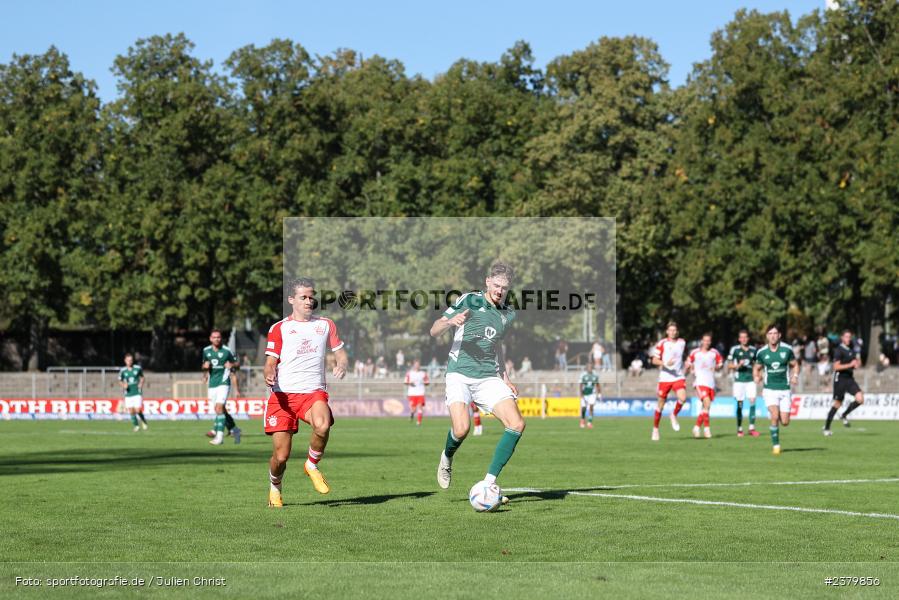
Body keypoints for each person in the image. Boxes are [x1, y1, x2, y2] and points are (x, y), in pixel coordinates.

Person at [431, 262, 522, 501]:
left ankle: (488, 483)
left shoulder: (507, 314)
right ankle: (447, 457)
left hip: (488, 377)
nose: (500, 290)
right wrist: (451, 322)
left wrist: (505, 375)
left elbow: (497, 345)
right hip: (459, 373)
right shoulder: (469, 300)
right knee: (462, 429)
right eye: (496, 285)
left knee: (517, 423)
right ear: (487, 282)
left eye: (504, 287)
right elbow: (434, 329)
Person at [263, 277, 348, 507]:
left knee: (323, 424)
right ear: (292, 300)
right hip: (282, 396)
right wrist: (269, 372)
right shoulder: (280, 328)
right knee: (280, 457)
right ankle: (275, 487)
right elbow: (270, 361)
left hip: (312, 392)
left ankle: (311, 464)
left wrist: (342, 363)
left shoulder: (325, 325)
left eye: (312, 297)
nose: (309, 301)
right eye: (303, 297)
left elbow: (340, 351)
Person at [753, 324, 799, 455]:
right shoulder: (762, 352)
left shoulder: (787, 349)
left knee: (785, 422)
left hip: (785, 389)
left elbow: (795, 365)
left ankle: (776, 420)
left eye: (775, 333)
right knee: (774, 415)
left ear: (779, 335)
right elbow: (756, 368)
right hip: (769, 390)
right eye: (770, 333)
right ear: (767, 336)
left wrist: (795, 376)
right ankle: (776, 446)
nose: (773, 336)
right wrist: (756, 377)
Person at [650, 322, 687, 441]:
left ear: (677, 331)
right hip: (665, 377)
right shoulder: (662, 343)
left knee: (682, 398)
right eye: (670, 330)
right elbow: (654, 360)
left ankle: (673, 415)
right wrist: (665, 363)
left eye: (675, 330)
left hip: (678, 376)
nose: (673, 332)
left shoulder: (682, 342)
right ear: (667, 332)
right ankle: (655, 429)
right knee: (660, 404)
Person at [203, 330, 242, 445]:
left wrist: (232, 365)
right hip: (212, 384)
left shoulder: (226, 351)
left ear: (221, 339)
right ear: (210, 338)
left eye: (218, 337)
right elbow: (205, 366)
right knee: (220, 409)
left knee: (219, 408)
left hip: (224, 383)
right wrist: (205, 371)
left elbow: (237, 365)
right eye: (214, 337)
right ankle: (235, 430)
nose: (217, 339)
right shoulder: (206, 351)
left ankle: (219, 437)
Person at [824, 329, 865, 435]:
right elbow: (836, 367)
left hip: (849, 378)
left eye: (849, 337)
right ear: (842, 338)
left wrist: (856, 364)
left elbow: (854, 364)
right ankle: (827, 428)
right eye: (846, 337)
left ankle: (844, 415)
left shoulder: (851, 349)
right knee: (838, 403)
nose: (848, 339)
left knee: (860, 399)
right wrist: (850, 365)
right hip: (840, 379)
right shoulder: (838, 350)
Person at [686, 333, 723, 439]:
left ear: (710, 342)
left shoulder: (714, 352)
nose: (706, 342)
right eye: (705, 340)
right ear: (701, 341)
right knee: (706, 403)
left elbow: (720, 363)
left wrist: (716, 367)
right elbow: (688, 362)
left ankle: (697, 427)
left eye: (708, 341)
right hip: (699, 382)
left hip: (710, 383)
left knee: (706, 407)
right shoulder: (695, 352)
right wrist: (689, 367)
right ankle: (707, 429)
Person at [728, 329, 760, 437]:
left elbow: (757, 365)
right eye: (742, 337)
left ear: (748, 338)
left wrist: (757, 375)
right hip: (739, 381)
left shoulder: (753, 350)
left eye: (745, 337)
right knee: (740, 404)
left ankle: (751, 428)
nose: (744, 339)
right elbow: (729, 365)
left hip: (750, 380)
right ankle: (739, 428)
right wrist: (738, 365)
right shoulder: (735, 350)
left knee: (752, 401)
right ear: (739, 339)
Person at [119, 353, 147, 432]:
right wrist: (123, 385)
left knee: (137, 410)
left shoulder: (137, 368)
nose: (129, 362)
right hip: (128, 393)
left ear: (132, 361)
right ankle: (136, 426)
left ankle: (144, 421)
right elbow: (120, 381)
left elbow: (142, 377)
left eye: (131, 360)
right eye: (128, 360)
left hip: (137, 392)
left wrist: (141, 384)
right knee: (131, 411)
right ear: (125, 361)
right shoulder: (123, 371)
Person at [404, 359, 430, 426]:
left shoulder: (423, 374)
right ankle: (412, 414)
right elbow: (405, 382)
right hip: (412, 393)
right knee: (413, 409)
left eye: (418, 364)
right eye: (416, 364)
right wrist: (410, 383)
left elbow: (427, 382)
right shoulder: (409, 373)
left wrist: (425, 382)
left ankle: (418, 422)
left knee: (420, 407)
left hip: (420, 393)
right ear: (414, 365)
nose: (417, 366)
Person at [579, 362, 601, 429]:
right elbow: (580, 385)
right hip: (585, 394)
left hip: (592, 394)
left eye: (591, 367)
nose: (590, 369)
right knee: (584, 408)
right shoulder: (583, 375)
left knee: (591, 407)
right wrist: (581, 394)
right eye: (588, 367)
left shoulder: (595, 375)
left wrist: (599, 394)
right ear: (586, 368)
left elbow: (598, 385)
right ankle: (582, 420)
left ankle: (589, 422)